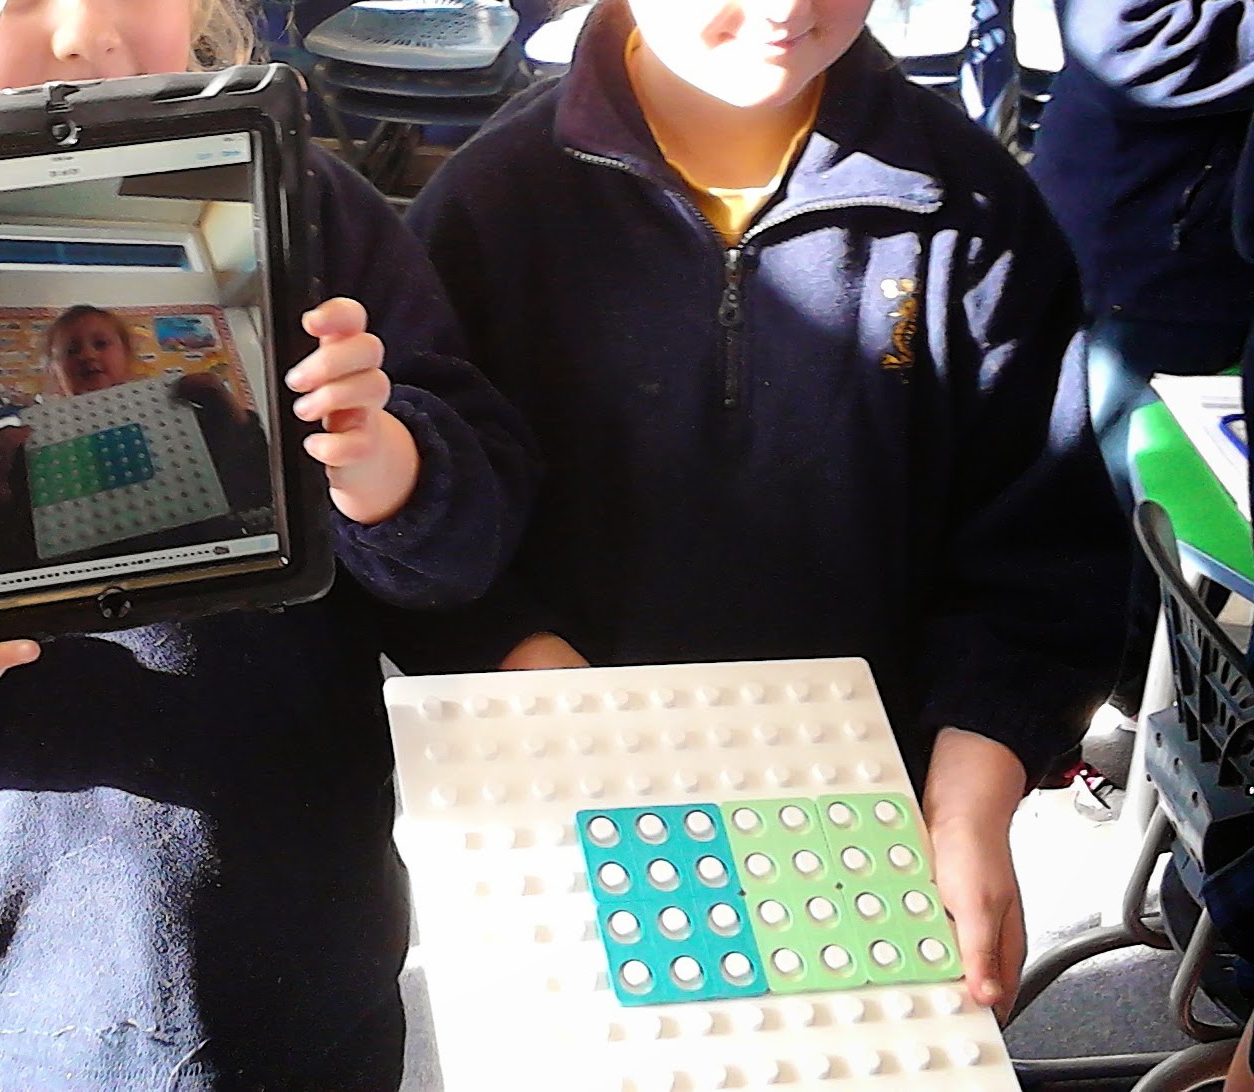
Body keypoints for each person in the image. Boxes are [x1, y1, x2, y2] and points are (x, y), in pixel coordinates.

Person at [0, 1, 539, 1089]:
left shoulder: (314, 215)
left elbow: (471, 528)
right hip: (5, 992)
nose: (83, 35)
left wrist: (393, 469)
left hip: (308, 940)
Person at [396, 0, 1129, 1023]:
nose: (786, 8)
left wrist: (973, 795)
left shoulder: (974, 207)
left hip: (868, 803)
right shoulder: (489, 207)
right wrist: (541, 677)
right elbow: (425, 527)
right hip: (569, 782)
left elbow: (1042, 547)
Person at [1028, 0, 1254, 734]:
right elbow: (1128, 43)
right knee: (1101, 491)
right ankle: (1092, 705)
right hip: (1143, 238)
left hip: (1196, 241)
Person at [0, 305, 276, 572]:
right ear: (54, 370)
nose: (88, 355)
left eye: (101, 344)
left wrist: (230, 412)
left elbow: (256, 488)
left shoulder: (185, 417)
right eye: (71, 351)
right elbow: (9, 558)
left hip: (203, 569)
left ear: (127, 355)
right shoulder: (31, 449)